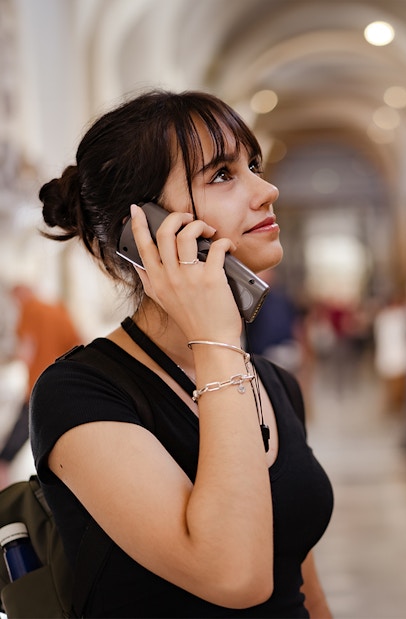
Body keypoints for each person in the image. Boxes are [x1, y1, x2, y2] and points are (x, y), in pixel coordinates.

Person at [30, 90, 334, 618]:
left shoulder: (272, 383)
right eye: (222, 175)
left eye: (253, 165)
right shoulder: (80, 394)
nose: (267, 190)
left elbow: (298, 580)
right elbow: (235, 576)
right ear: (140, 229)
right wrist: (216, 338)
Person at [0, 284, 81, 487]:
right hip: (63, 386)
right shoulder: (58, 309)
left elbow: (26, 351)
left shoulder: (30, 310)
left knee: (14, 443)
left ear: (20, 295)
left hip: (38, 386)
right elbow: (77, 343)